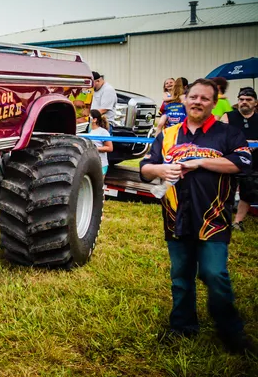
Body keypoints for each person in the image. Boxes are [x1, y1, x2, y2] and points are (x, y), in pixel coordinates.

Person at [140, 79, 253, 354]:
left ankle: (231, 332)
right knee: (181, 275)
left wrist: (201, 161)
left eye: (205, 98)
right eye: (193, 97)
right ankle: (182, 327)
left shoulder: (228, 133)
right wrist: (160, 171)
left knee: (215, 274)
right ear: (185, 99)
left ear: (214, 103)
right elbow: (145, 167)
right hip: (176, 216)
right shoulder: (167, 135)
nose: (197, 102)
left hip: (213, 217)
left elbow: (243, 162)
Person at [229, 86, 257, 231]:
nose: (244, 102)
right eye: (241, 99)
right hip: (230, 160)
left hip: (253, 163)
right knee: (226, 191)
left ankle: (238, 222)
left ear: (255, 102)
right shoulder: (228, 116)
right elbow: (220, 137)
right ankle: (222, 220)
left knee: (248, 192)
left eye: (248, 99)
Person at [89, 109, 113, 174]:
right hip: (89, 164)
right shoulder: (87, 132)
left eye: (88, 117)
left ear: (94, 120)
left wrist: (94, 149)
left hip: (101, 164)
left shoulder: (103, 132)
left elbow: (110, 148)